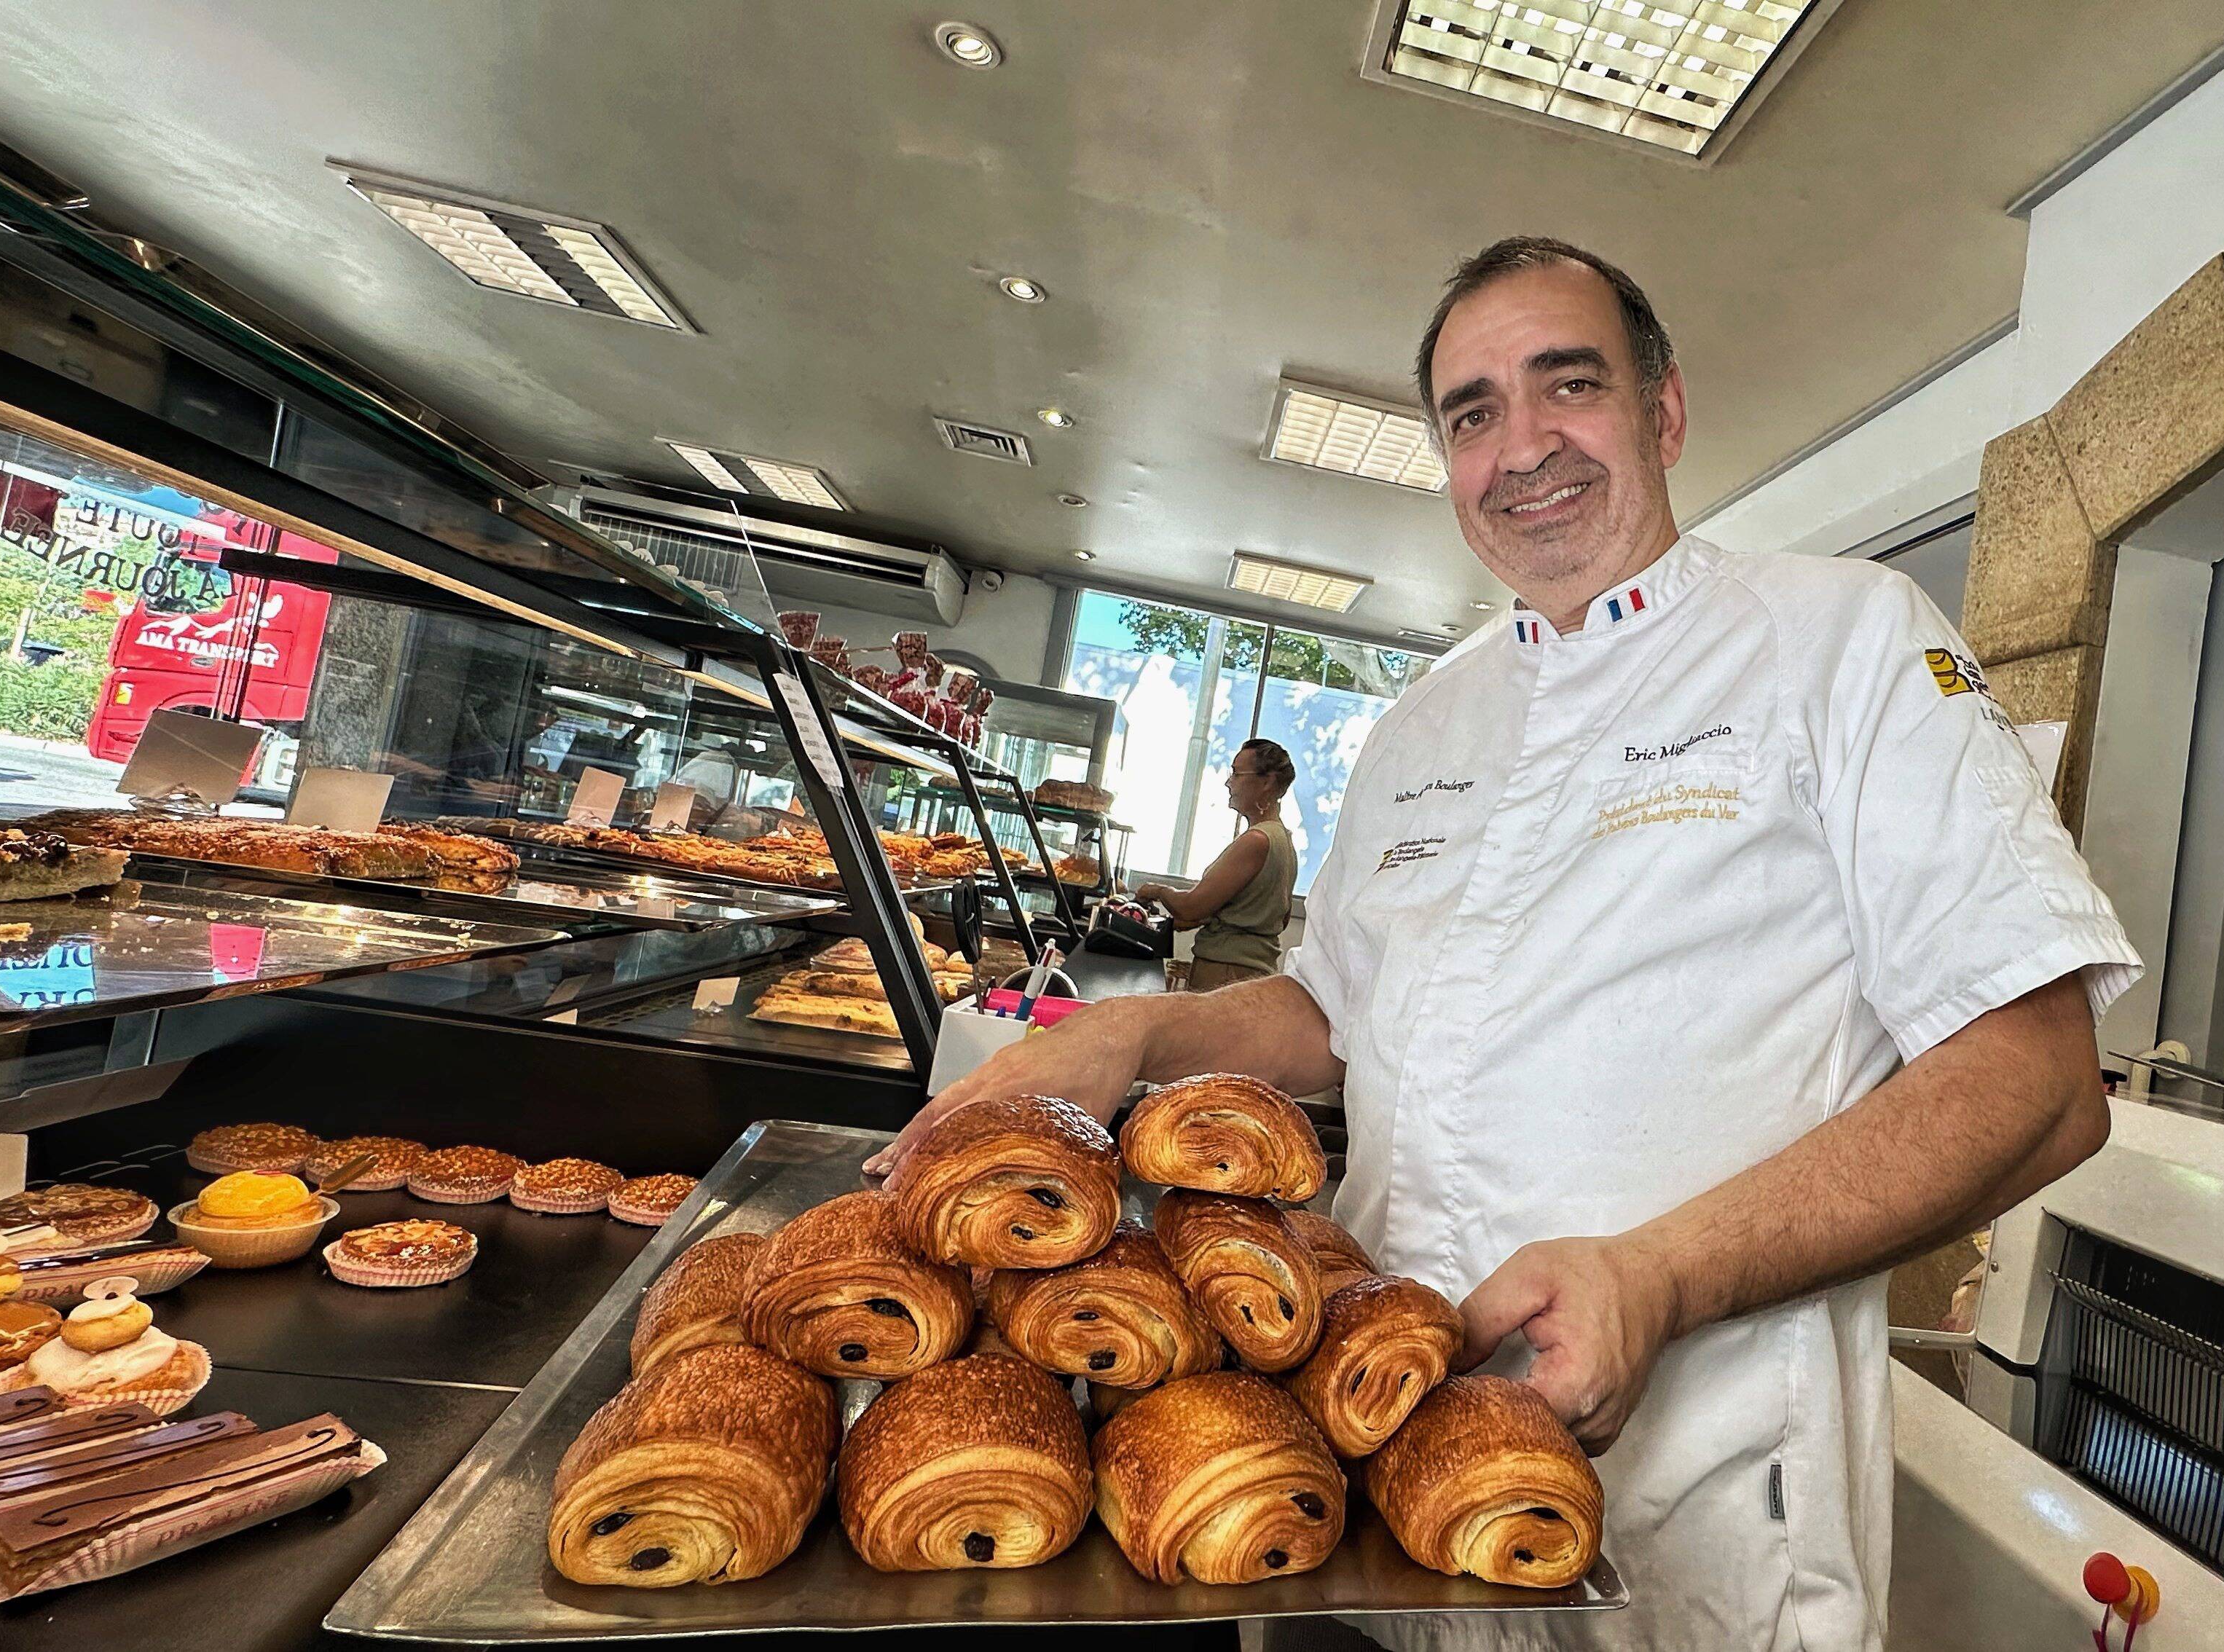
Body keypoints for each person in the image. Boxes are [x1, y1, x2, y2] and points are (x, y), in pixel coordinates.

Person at [874, 237, 2138, 1652]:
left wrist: (1666, 1275)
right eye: (1473, 413)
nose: (1521, 445)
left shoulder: (1843, 643)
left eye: (1569, 385)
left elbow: (2039, 1081)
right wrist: (1132, 1036)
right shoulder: (1430, 718)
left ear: (1662, 411)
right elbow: (1337, 1014)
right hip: (1363, 1484)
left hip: (1695, 1523)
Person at [1131, 738, 1300, 992]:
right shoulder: (1284, 842)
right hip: (1250, 974)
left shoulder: (1257, 840)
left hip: (1226, 973)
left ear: (1267, 782)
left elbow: (1191, 907)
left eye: (1236, 773)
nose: (1228, 782)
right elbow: (1277, 918)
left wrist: (1156, 891)